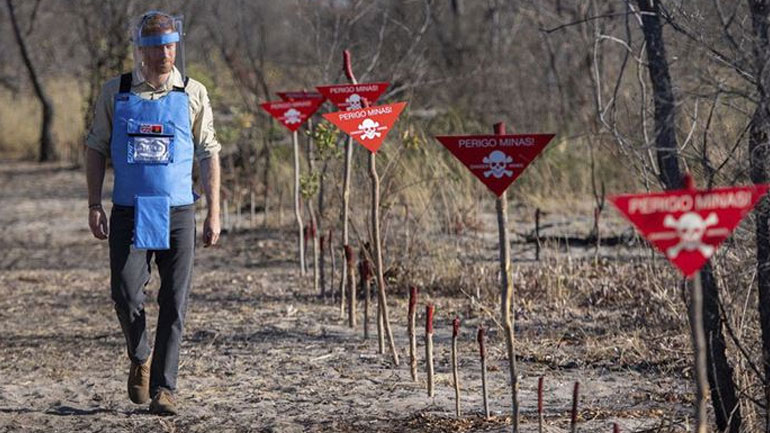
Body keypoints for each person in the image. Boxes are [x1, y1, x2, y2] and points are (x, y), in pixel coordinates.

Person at [85, 10, 221, 415]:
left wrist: (214, 212)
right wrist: (94, 203)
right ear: (140, 49)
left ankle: (165, 387)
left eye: (170, 44)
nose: (164, 53)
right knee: (125, 293)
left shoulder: (192, 93)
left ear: (177, 44)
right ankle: (140, 354)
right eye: (155, 45)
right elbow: (95, 147)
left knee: (175, 301)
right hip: (129, 209)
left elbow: (209, 151)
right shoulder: (117, 91)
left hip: (179, 210)